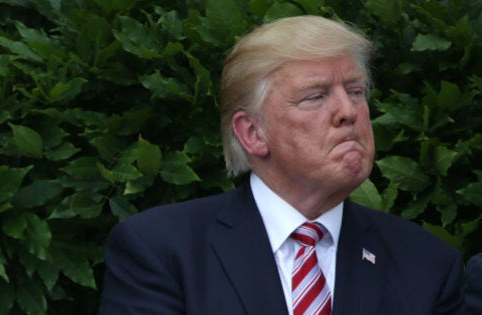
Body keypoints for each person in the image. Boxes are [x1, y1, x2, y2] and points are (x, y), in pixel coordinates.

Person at [98, 15, 465, 315]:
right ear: (253, 133)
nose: (348, 112)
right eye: (315, 96)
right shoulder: (164, 250)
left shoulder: (427, 264)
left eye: (355, 92)